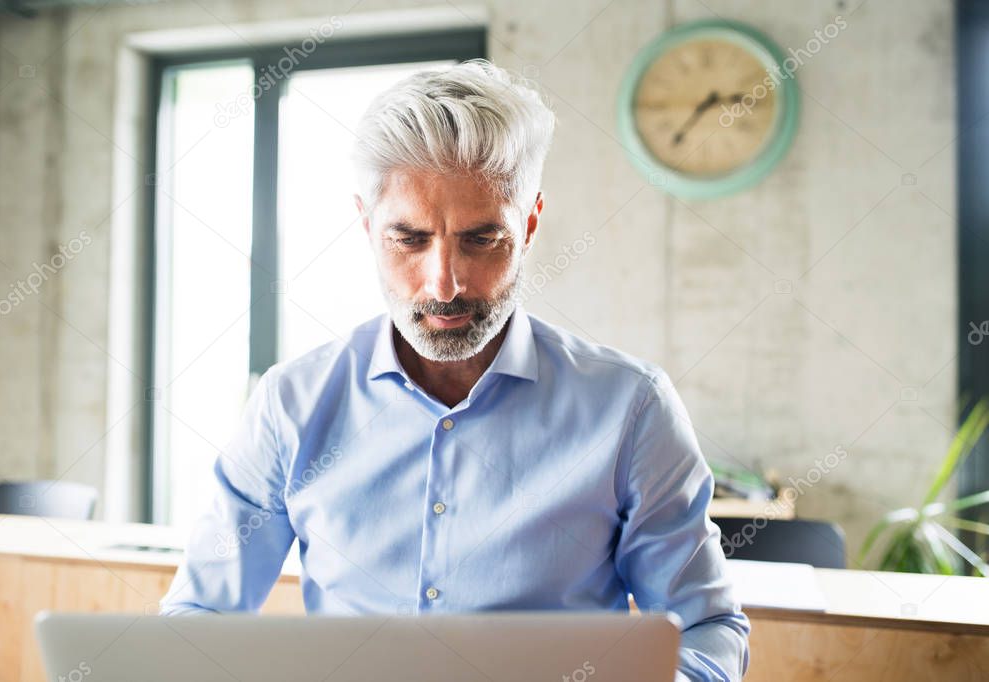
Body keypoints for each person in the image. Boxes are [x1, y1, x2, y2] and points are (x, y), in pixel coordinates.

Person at [160, 58, 750, 681]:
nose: (445, 283)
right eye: (410, 239)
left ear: (529, 224)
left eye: (480, 239)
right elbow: (200, 614)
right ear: (367, 226)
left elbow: (706, 632)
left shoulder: (631, 409)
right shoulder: (292, 403)